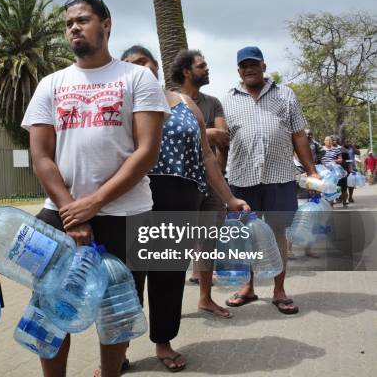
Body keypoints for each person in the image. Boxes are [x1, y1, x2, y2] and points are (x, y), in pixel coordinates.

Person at [21, 0, 170, 377]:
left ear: (106, 25)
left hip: (127, 214)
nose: (74, 27)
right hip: (60, 214)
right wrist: (73, 211)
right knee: (51, 309)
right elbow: (41, 157)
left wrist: (95, 203)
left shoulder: (138, 79)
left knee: (117, 311)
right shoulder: (51, 84)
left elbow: (146, 152)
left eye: (83, 20)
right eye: (69, 22)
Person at [121, 45, 249, 371]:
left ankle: (163, 343)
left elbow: (206, 156)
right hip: (131, 196)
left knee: (168, 276)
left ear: (156, 68)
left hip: (178, 196)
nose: (139, 70)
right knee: (125, 280)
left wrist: (230, 197)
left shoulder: (184, 103)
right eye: (131, 65)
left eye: (144, 63)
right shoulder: (118, 104)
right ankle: (116, 351)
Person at [222, 46, 319, 315]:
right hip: (242, 178)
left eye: (254, 64)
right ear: (238, 70)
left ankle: (279, 290)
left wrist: (311, 170)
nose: (249, 69)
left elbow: (299, 135)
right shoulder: (228, 100)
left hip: (280, 177)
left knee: (278, 233)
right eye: (243, 65)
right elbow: (221, 142)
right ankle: (248, 287)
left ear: (264, 66)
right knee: (246, 236)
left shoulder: (285, 95)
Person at [169, 48, 233, 318]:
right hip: (180, 183)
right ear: (186, 71)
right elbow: (167, 136)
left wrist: (218, 174)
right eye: (201, 65)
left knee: (208, 242)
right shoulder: (168, 100)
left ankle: (205, 299)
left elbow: (224, 137)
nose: (207, 69)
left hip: (212, 182)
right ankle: (168, 307)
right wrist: (208, 132)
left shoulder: (213, 102)